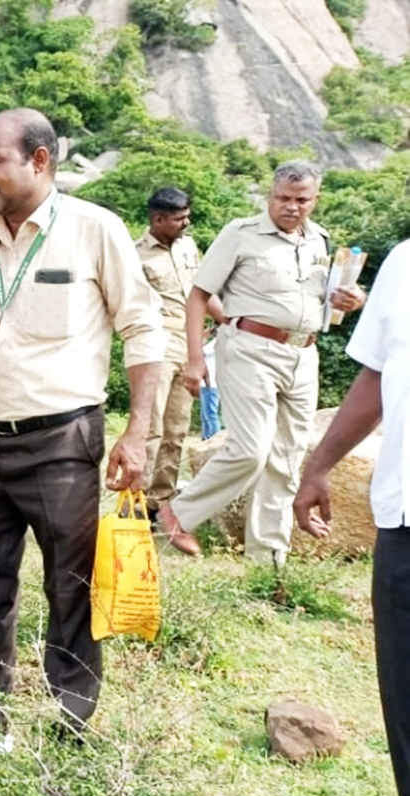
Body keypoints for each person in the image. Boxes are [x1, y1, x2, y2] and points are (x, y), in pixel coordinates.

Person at [0, 109, 165, 761]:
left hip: (62, 444)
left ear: (39, 161)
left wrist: (140, 434)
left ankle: (67, 731)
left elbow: (144, 330)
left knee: (68, 585)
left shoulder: (92, 231)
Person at [157, 161, 367, 565]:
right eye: (283, 198)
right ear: (270, 196)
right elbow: (199, 295)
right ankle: (178, 513)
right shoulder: (241, 233)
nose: (291, 207)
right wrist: (196, 359)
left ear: (314, 199)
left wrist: (352, 299)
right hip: (250, 347)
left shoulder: (319, 241)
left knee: (286, 458)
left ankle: (268, 562)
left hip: (304, 354)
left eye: (301, 200)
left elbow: (326, 300)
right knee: (250, 449)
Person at [294, 238, 406, 796]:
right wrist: (321, 463)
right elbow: (377, 375)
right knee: (405, 697)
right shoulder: (404, 263)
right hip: (404, 518)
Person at [135, 187, 224, 513]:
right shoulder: (136, 255)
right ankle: (136, 500)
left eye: (187, 216)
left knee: (176, 428)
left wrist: (227, 320)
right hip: (157, 342)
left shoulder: (188, 247)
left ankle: (160, 502)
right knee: (151, 429)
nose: (186, 223)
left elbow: (203, 291)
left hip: (191, 343)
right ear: (158, 220)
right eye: (178, 219)